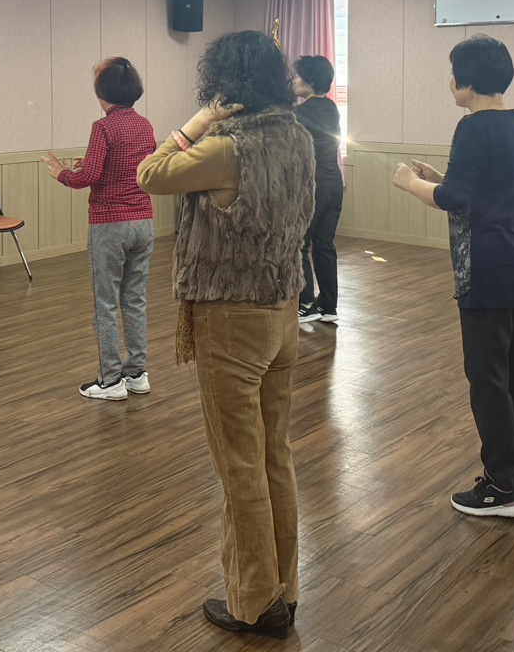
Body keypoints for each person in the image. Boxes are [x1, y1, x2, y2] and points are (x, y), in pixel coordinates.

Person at [137, 31, 314, 641]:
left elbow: (150, 173)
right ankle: (285, 588)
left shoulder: (226, 148)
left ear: (224, 85)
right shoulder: (298, 136)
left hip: (232, 318)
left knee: (240, 464)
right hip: (282, 308)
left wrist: (197, 120)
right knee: (274, 455)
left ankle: (255, 602)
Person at [392, 33, 514, 519]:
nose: (450, 82)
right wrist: (441, 178)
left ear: (466, 81)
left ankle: (503, 487)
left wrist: (411, 184)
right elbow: (489, 190)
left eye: (452, 73)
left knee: (488, 378)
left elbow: (456, 200)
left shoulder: (473, 126)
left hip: (490, 266)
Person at [42, 57, 157, 401]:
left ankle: (110, 381)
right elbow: (133, 166)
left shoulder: (103, 127)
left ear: (102, 92)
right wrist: (89, 164)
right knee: (134, 299)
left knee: (105, 303)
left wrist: (62, 174)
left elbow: (89, 177)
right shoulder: (144, 125)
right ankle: (137, 373)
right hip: (143, 222)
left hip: (110, 225)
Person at [292, 55, 343, 324]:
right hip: (334, 182)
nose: (294, 81)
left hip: (314, 184)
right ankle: (328, 305)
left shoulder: (299, 114)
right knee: (324, 243)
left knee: (300, 243)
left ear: (310, 82)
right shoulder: (332, 107)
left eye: (298, 77)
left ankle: (306, 304)